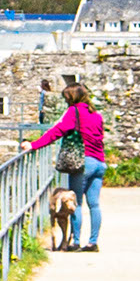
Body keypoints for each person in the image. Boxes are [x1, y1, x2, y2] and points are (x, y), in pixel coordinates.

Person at [25, 78, 106, 251]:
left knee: (74, 202)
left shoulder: (74, 111)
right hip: (99, 162)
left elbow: (56, 132)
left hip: (83, 162)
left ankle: (75, 242)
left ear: (71, 98)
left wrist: (33, 145)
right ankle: (93, 242)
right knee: (94, 204)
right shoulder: (96, 114)